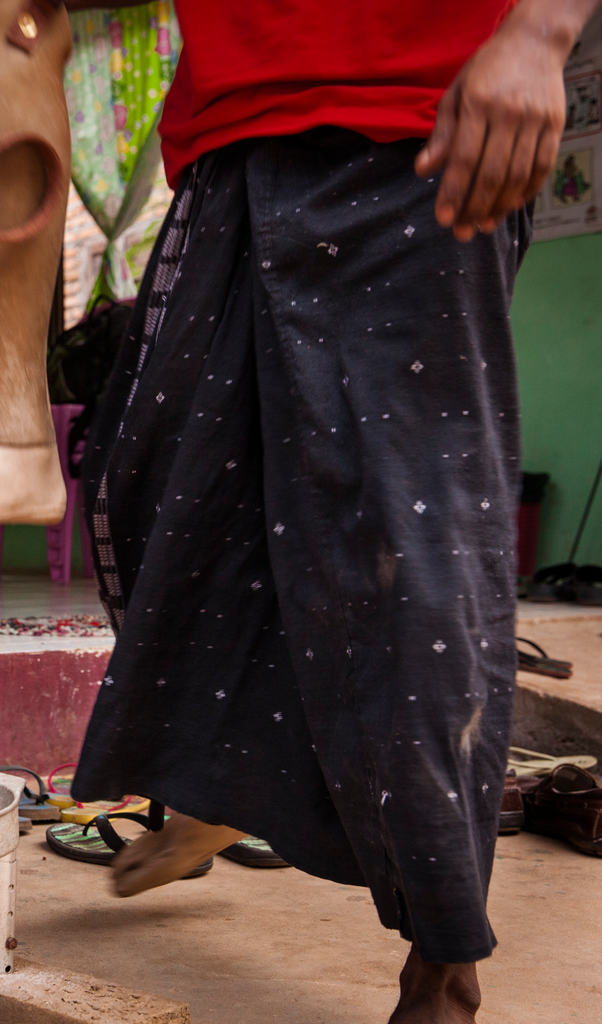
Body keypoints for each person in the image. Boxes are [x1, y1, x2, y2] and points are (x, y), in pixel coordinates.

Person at [59, 0, 600, 1021]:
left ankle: (443, 952)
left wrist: (539, 34)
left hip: (426, 125)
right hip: (225, 144)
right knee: (154, 485)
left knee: (411, 560)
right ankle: (213, 789)